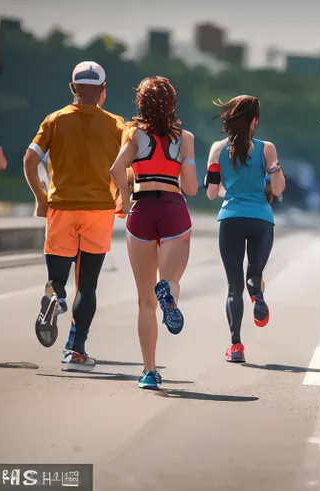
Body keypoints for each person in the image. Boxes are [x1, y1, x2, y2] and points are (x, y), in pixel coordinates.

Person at [23, 61, 125, 371]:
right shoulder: (118, 125)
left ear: (73, 89)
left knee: (57, 279)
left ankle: (54, 296)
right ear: (102, 91)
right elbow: (127, 168)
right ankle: (75, 351)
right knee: (88, 286)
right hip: (99, 210)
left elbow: (29, 160)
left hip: (61, 207)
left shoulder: (54, 120)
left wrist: (41, 199)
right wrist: (123, 197)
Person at [110, 76, 198, 389]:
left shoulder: (134, 134)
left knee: (144, 301)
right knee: (170, 280)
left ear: (141, 104)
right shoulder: (184, 137)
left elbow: (116, 169)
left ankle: (149, 372)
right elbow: (190, 187)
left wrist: (126, 194)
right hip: (173, 208)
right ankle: (170, 296)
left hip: (142, 210)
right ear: (172, 104)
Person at [205, 95, 285, 363]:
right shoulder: (267, 149)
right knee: (255, 273)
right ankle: (257, 291)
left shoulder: (217, 149)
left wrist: (229, 186)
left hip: (230, 217)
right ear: (255, 121)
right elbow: (278, 189)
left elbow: (211, 192)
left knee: (232, 286)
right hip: (262, 219)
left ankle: (236, 346)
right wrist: (271, 172)